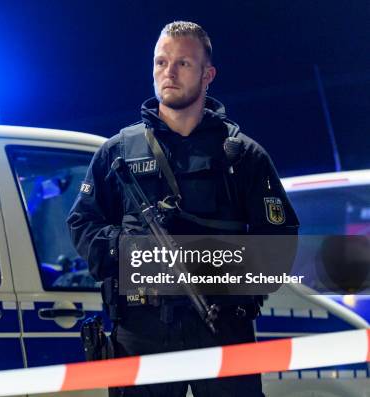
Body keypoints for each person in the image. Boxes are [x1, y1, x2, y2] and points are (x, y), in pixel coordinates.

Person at [67, 21, 299, 396]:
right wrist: (129, 251)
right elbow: (82, 223)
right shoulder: (118, 152)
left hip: (223, 325)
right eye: (161, 62)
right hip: (142, 330)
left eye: (182, 64)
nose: (168, 73)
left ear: (208, 75)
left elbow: (279, 245)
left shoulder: (242, 156)